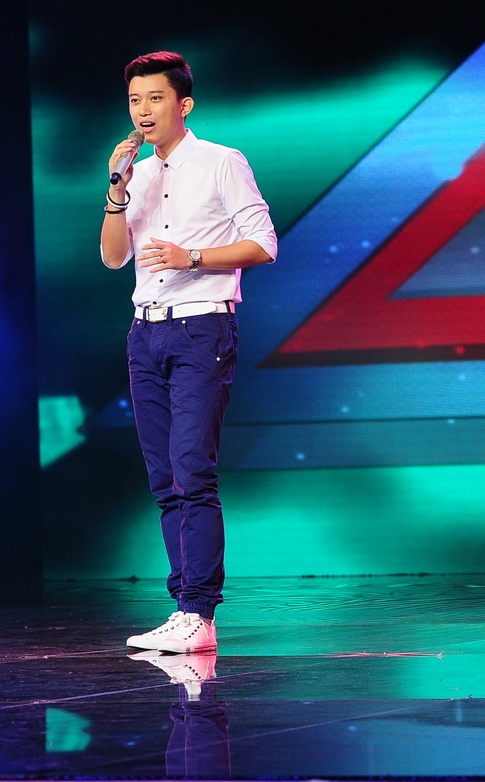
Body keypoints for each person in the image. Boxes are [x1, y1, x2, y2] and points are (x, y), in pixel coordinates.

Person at [101, 51, 277, 654]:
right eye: (134, 100)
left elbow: (264, 243)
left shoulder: (222, 162)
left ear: (185, 105)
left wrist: (192, 257)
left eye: (155, 98)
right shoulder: (138, 175)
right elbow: (112, 258)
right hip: (144, 333)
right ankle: (183, 608)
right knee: (163, 477)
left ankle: (199, 612)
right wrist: (117, 189)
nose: (143, 111)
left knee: (191, 468)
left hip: (203, 327)